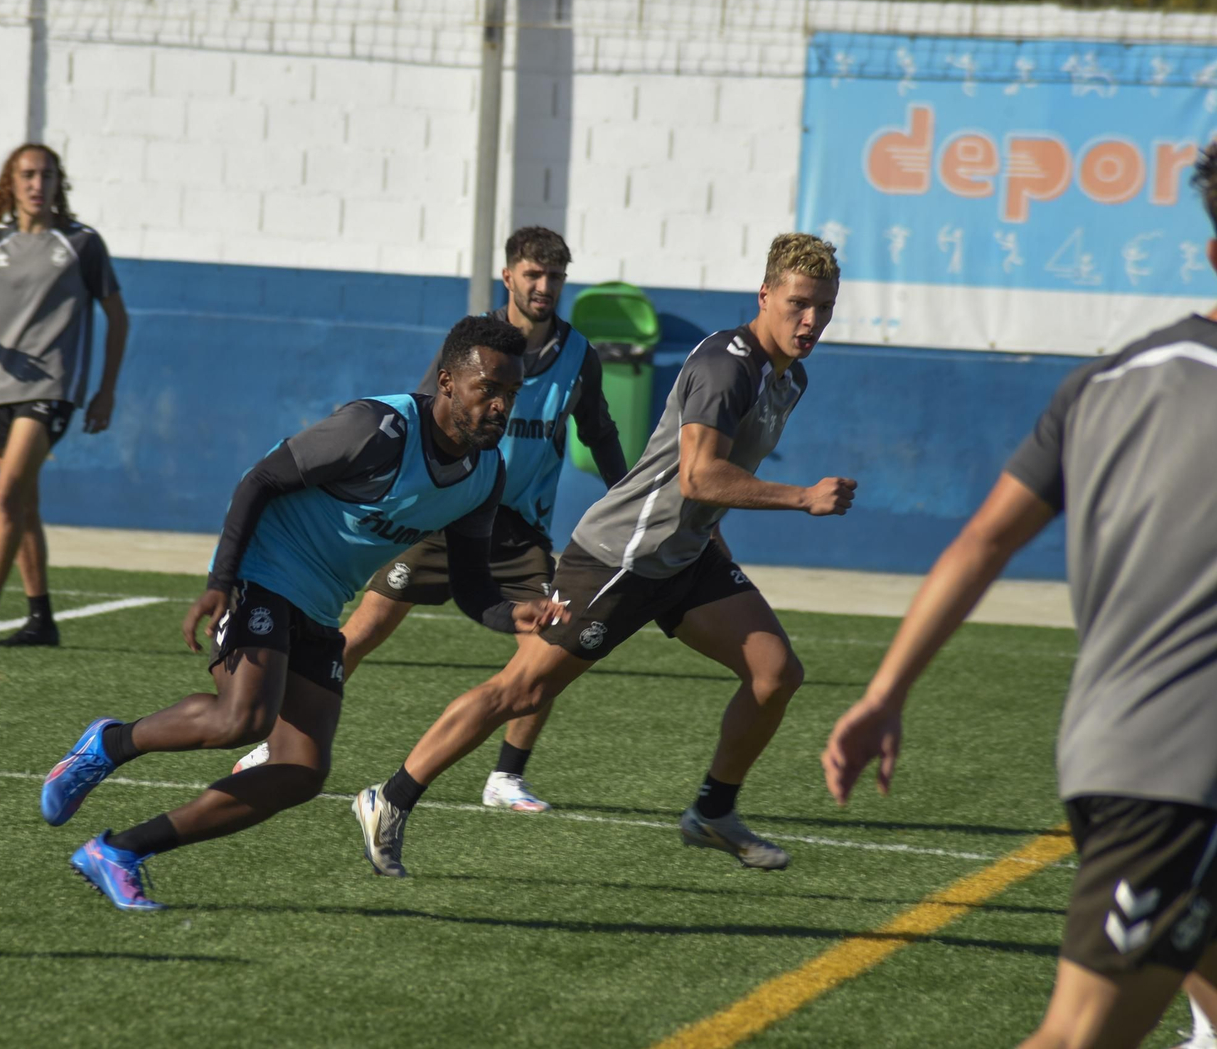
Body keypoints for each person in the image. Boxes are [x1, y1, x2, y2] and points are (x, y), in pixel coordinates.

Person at [822, 146, 1217, 1049]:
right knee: (1078, 1037)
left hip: (1115, 753)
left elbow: (983, 540)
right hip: (1175, 773)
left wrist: (887, 693)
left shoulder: (1104, 383)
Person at [351, 233, 856, 878]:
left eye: (824, 308)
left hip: (685, 555)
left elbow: (702, 485)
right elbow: (698, 476)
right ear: (765, 295)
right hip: (621, 557)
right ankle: (388, 800)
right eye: (798, 304)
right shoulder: (727, 367)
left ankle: (713, 811)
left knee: (776, 673)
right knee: (520, 689)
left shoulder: (790, 377)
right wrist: (802, 496)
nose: (810, 321)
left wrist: (712, 537)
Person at [38, 315, 568, 911]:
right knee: (244, 720)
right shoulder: (379, 428)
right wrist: (221, 582)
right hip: (264, 568)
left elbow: (472, 587)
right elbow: (260, 479)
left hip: (319, 601)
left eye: (511, 394)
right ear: (447, 381)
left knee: (302, 769)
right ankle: (109, 745)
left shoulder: (484, 475)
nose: (501, 406)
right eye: (488, 390)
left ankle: (120, 851)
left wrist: (511, 615)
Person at [231, 226, 628, 813]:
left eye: (556, 277)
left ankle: (506, 778)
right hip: (445, 515)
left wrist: (625, 498)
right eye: (533, 274)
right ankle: (276, 741)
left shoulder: (578, 357)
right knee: (362, 631)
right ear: (509, 276)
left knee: (546, 645)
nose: (544, 287)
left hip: (519, 531)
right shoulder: (470, 349)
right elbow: (423, 423)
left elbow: (600, 433)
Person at [0, 142, 128, 648]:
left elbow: (118, 318)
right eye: (26, 174)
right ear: (9, 182)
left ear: (57, 183)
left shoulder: (81, 244)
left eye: (46, 175)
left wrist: (105, 391)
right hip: (0, 390)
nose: (36, 184)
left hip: (53, 388)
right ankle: (41, 619)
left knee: (6, 495)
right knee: (23, 505)